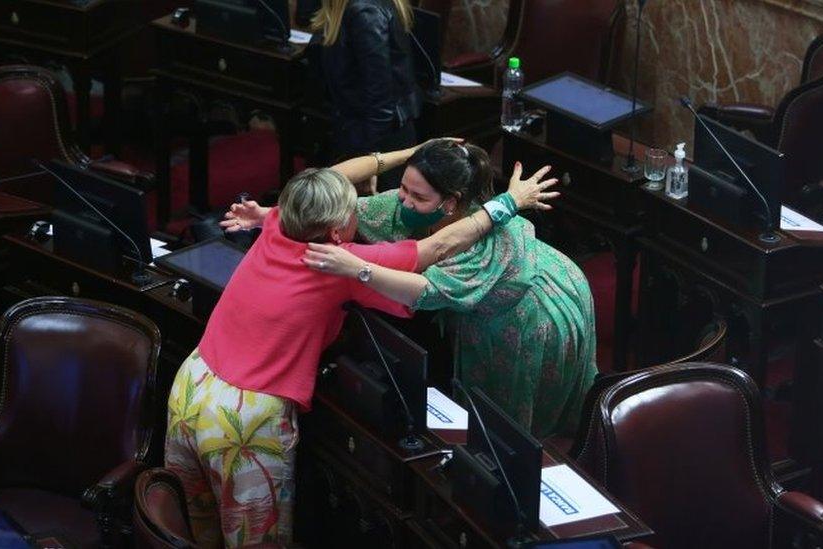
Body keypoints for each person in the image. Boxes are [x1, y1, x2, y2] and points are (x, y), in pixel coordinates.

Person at [165, 146, 556, 547]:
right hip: (241, 421)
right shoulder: (340, 265)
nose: (363, 215)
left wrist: (411, 152)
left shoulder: (281, 222)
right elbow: (435, 250)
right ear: (336, 233)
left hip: (190, 385)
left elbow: (334, 172)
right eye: (354, 212)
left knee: (194, 531)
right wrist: (509, 202)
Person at [301, 140, 597, 439]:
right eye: (403, 187)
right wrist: (410, 152)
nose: (403, 201)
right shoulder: (405, 205)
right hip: (488, 308)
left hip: (527, 312)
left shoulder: (483, 247)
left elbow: (424, 291)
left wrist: (356, 268)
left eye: (418, 196)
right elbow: (329, 186)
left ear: (451, 203)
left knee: (501, 425)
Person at [310, 0, 421, 191]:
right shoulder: (353, 9)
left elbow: (381, 102)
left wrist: (367, 161)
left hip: (379, 140)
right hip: (366, 133)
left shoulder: (365, 13)